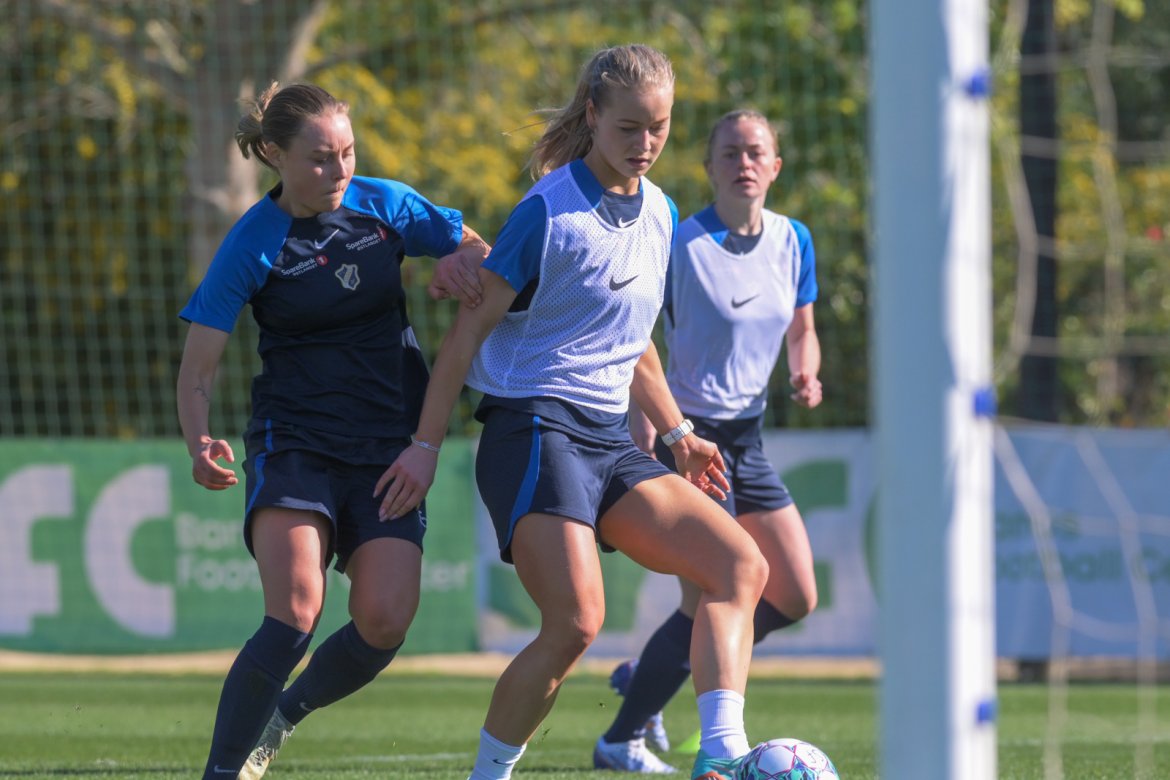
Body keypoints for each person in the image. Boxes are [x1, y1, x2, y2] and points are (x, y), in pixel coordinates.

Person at [375, 45, 768, 780]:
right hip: (532, 430)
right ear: (592, 115)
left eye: (659, 128)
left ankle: (724, 758)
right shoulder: (546, 212)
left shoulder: (661, 212)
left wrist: (679, 433)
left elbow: (633, 340)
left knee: (738, 565)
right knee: (575, 624)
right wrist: (424, 448)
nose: (645, 144)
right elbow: (464, 339)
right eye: (628, 128)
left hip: (608, 439)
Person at [175, 81, 490, 780]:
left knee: (385, 620)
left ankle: (284, 716)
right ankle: (221, 773)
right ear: (274, 155)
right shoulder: (252, 243)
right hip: (296, 442)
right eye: (320, 158)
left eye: (347, 152)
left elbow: (475, 248)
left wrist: (461, 258)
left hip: (387, 447)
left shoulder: (387, 205)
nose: (339, 170)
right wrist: (199, 439)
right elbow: (197, 368)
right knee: (294, 612)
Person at [596, 108, 823, 772]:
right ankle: (622, 739)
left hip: (748, 441)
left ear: (775, 166)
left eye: (755, 152)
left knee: (794, 595)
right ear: (709, 168)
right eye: (730, 152)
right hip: (689, 440)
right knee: (710, 593)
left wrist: (806, 369)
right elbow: (636, 337)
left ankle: (655, 673)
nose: (743, 163)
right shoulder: (681, 243)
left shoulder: (794, 240)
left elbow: (803, 328)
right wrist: (648, 429)